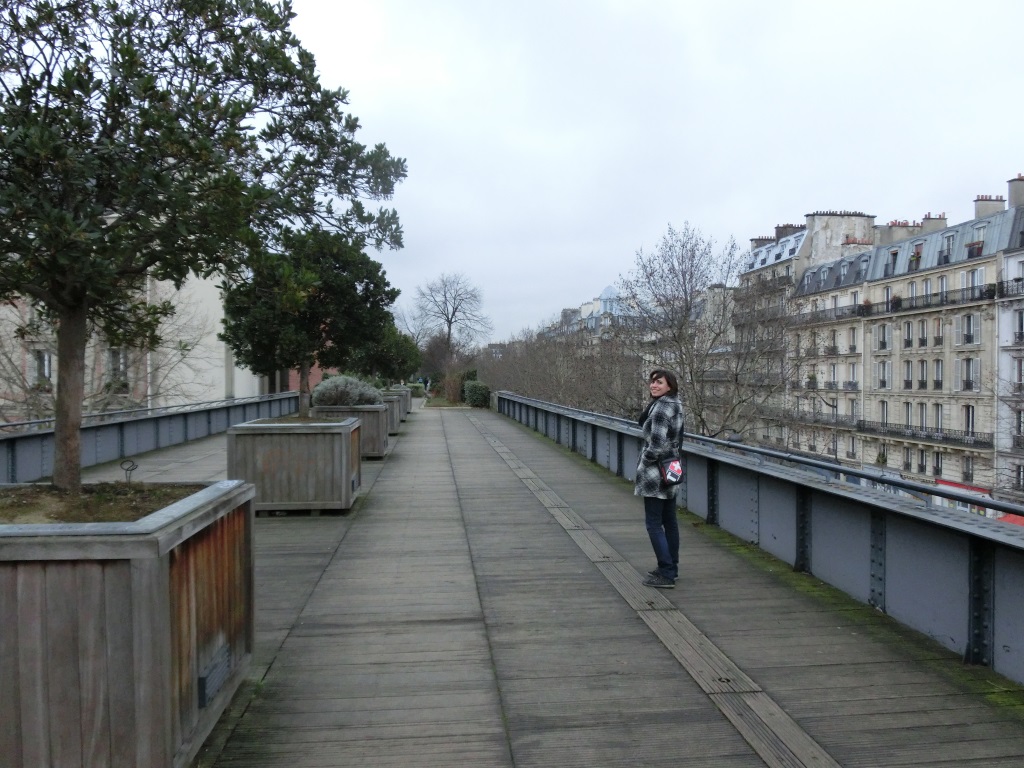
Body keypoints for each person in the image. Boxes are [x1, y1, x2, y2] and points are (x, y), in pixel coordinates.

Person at [635, 368, 684, 589]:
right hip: (671, 467)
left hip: (656, 471)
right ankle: (671, 566)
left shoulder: (663, 407)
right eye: (652, 382)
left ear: (669, 386)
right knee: (669, 522)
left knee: (654, 523)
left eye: (659, 383)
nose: (654, 385)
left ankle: (666, 572)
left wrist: (644, 462)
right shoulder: (675, 403)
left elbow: (656, 443)